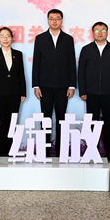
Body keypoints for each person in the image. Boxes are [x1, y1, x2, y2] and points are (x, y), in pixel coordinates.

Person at [32, 9, 76, 154]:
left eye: (57, 18)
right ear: (48, 20)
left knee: (61, 118)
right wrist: (36, 85)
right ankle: (44, 149)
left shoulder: (68, 39)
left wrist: (72, 85)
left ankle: (61, 150)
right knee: (46, 117)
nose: (54, 21)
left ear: (61, 20)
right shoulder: (40, 38)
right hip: (44, 85)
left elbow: (71, 62)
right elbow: (37, 63)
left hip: (63, 85)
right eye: (51, 18)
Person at [78, 22, 110, 162]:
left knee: (109, 122)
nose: (100, 33)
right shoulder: (86, 49)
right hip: (91, 93)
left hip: (109, 92)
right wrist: (83, 91)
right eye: (97, 30)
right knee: (92, 122)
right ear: (93, 33)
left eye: (103, 30)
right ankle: (93, 150)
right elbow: (81, 72)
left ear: (107, 32)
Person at [0, 27, 26, 157]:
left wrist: (23, 93)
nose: (5, 39)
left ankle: (11, 150)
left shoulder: (18, 54)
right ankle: (0, 151)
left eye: (8, 36)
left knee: (12, 122)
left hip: (15, 93)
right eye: (2, 36)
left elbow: (21, 74)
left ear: (12, 38)